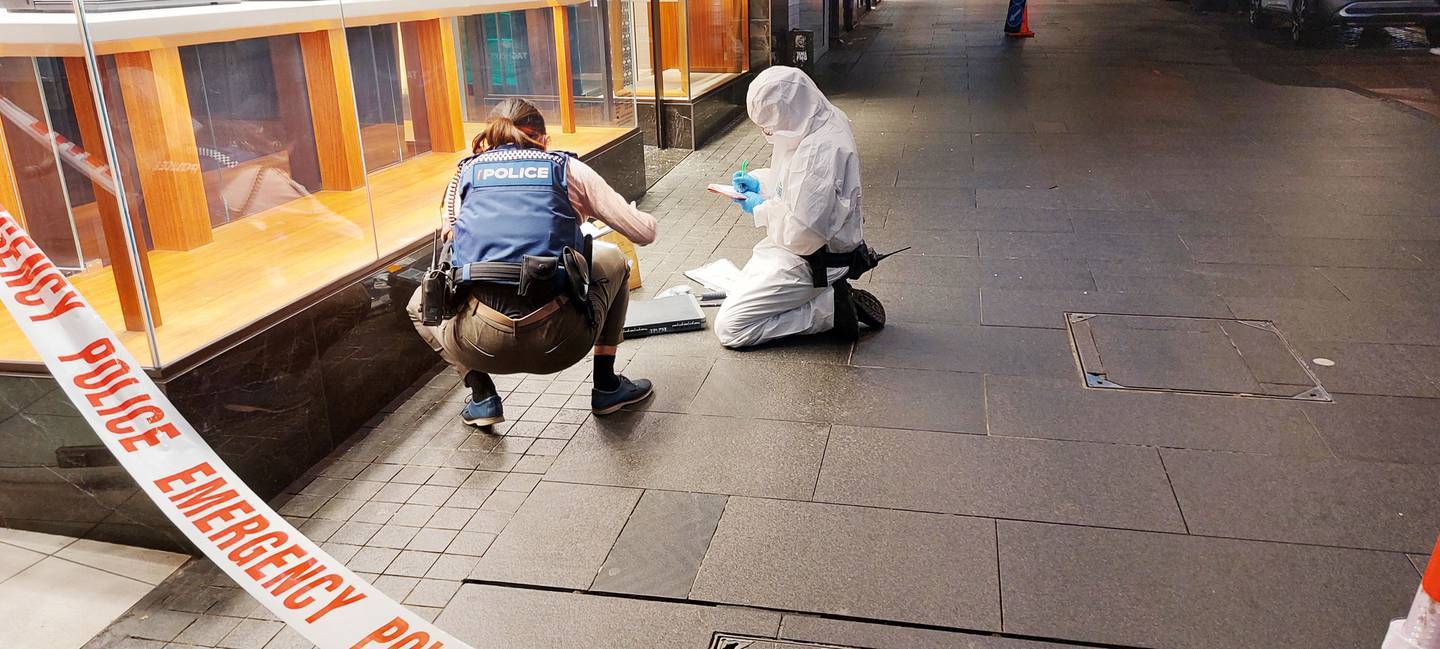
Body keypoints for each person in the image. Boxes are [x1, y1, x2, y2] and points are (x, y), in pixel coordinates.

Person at [409, 98, 657, 426]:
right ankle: (607, 386)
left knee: (417, 304)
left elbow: (450, 237)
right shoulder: (567, 169)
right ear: (544, 139)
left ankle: (482, 396)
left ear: (490, 137)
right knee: (612, 258)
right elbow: (643, 233)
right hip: (561, 341)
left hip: (478, 342)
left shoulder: (464, 175)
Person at [716, 66, 885, 348]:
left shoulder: (820, 151)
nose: (768, 133)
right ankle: (827, 299)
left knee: (731, 327)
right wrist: (760, 184)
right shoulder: (815, 118)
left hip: (813, 259)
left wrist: (760, 208)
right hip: (801, 249)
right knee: (743, 294)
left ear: (787, 113)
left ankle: (831, 310)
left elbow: (802, 234)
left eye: (769, 127)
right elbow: (794, 185)